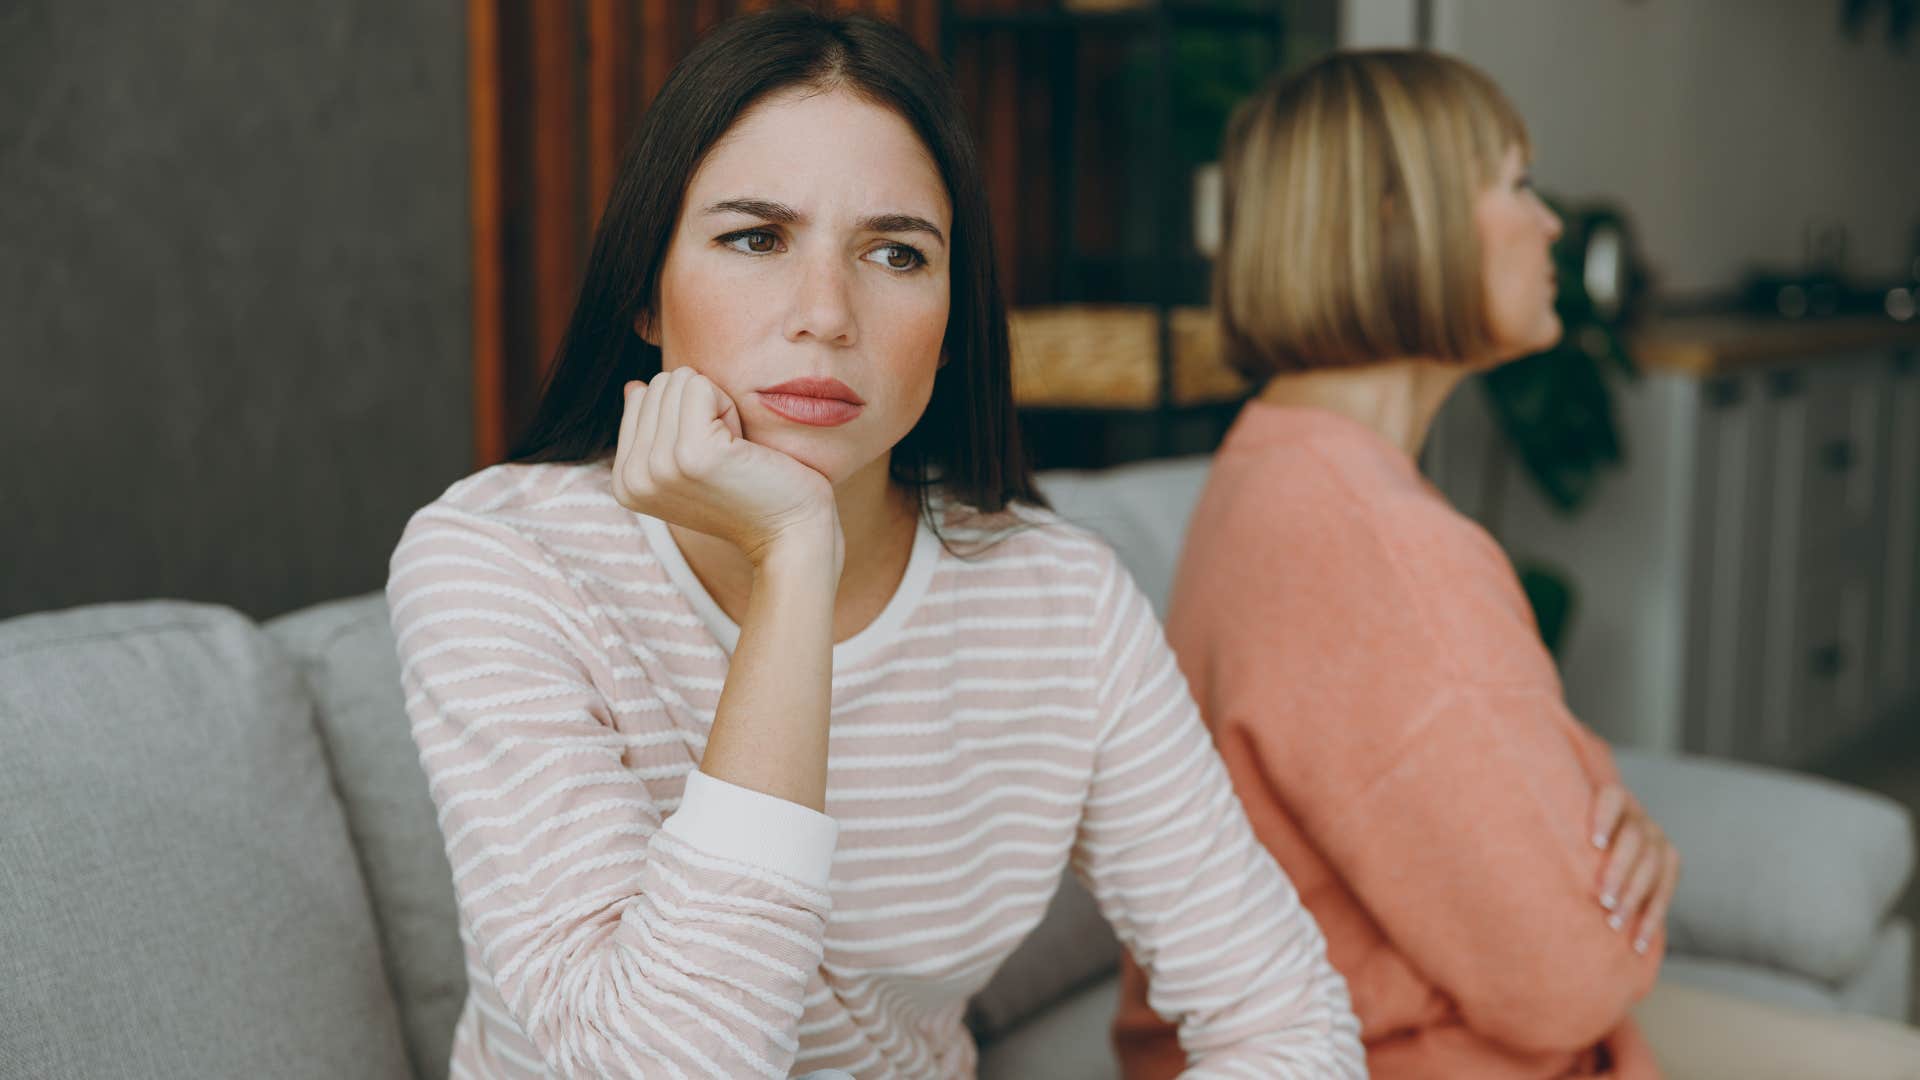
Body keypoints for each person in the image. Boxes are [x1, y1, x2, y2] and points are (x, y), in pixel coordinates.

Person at [386, 9, 1363, 1078]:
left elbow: (1284, 1020)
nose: (826, 312)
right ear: (645, 296)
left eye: (895, 253)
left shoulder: (1061, 601)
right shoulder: (501, 563)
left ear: (950, 327)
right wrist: (796, 560)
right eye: (755, 238)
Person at [1110, 48, 1920, 1080]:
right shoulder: (1387, 547)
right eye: (1517, 184)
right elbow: (1568, 976)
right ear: (1404, 224)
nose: (1552, 224)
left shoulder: (1271, 461)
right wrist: (1610, 841)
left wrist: (1601, 812)